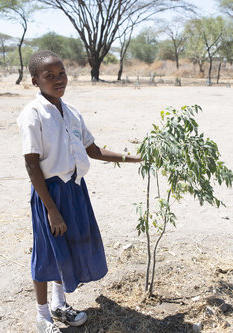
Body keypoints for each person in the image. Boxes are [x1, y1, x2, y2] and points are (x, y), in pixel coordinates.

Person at [17, 50, 141, 333]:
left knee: (68, 249)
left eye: (62, 74)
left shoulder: (71, 112)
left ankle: (60, 305)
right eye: (49, 76)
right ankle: (42, 316)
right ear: (35, 81)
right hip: (50, 193)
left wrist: (132, 158)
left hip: (74, 189)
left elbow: (92, 150)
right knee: (46, 252)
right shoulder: (32, 115)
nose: (58, 80)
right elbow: (32, 165)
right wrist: (51, 210)